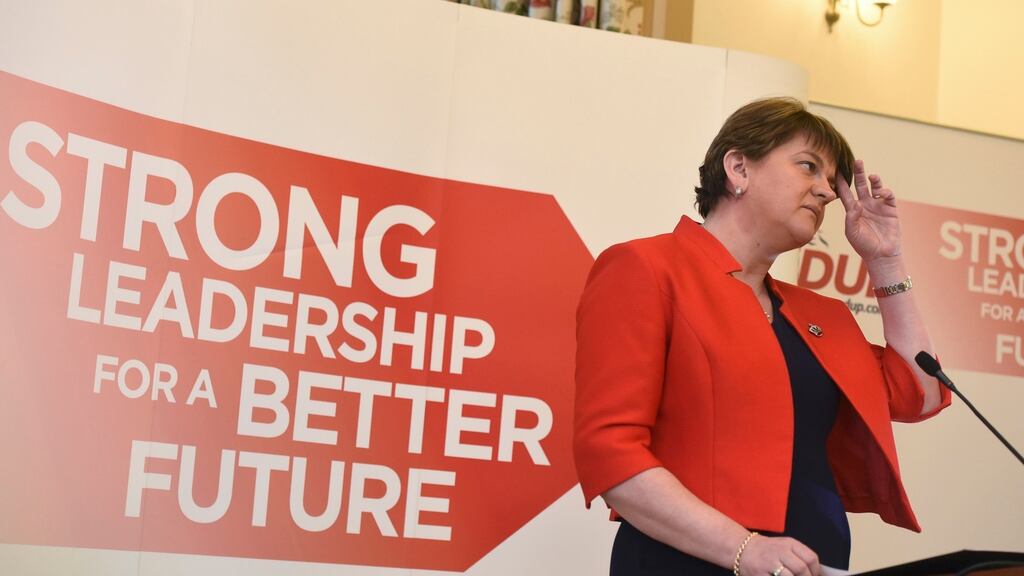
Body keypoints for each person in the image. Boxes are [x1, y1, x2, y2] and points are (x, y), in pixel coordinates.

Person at [573, 97, 951, 576]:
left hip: (812, 565)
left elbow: (922, 393)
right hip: (687, 562)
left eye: (830, 181)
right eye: (808, 167)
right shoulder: (646, 270)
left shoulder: (822, 315)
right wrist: (744, 548)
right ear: (738, 168)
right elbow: (608, 452)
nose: (827, 193)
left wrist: (887, 261)